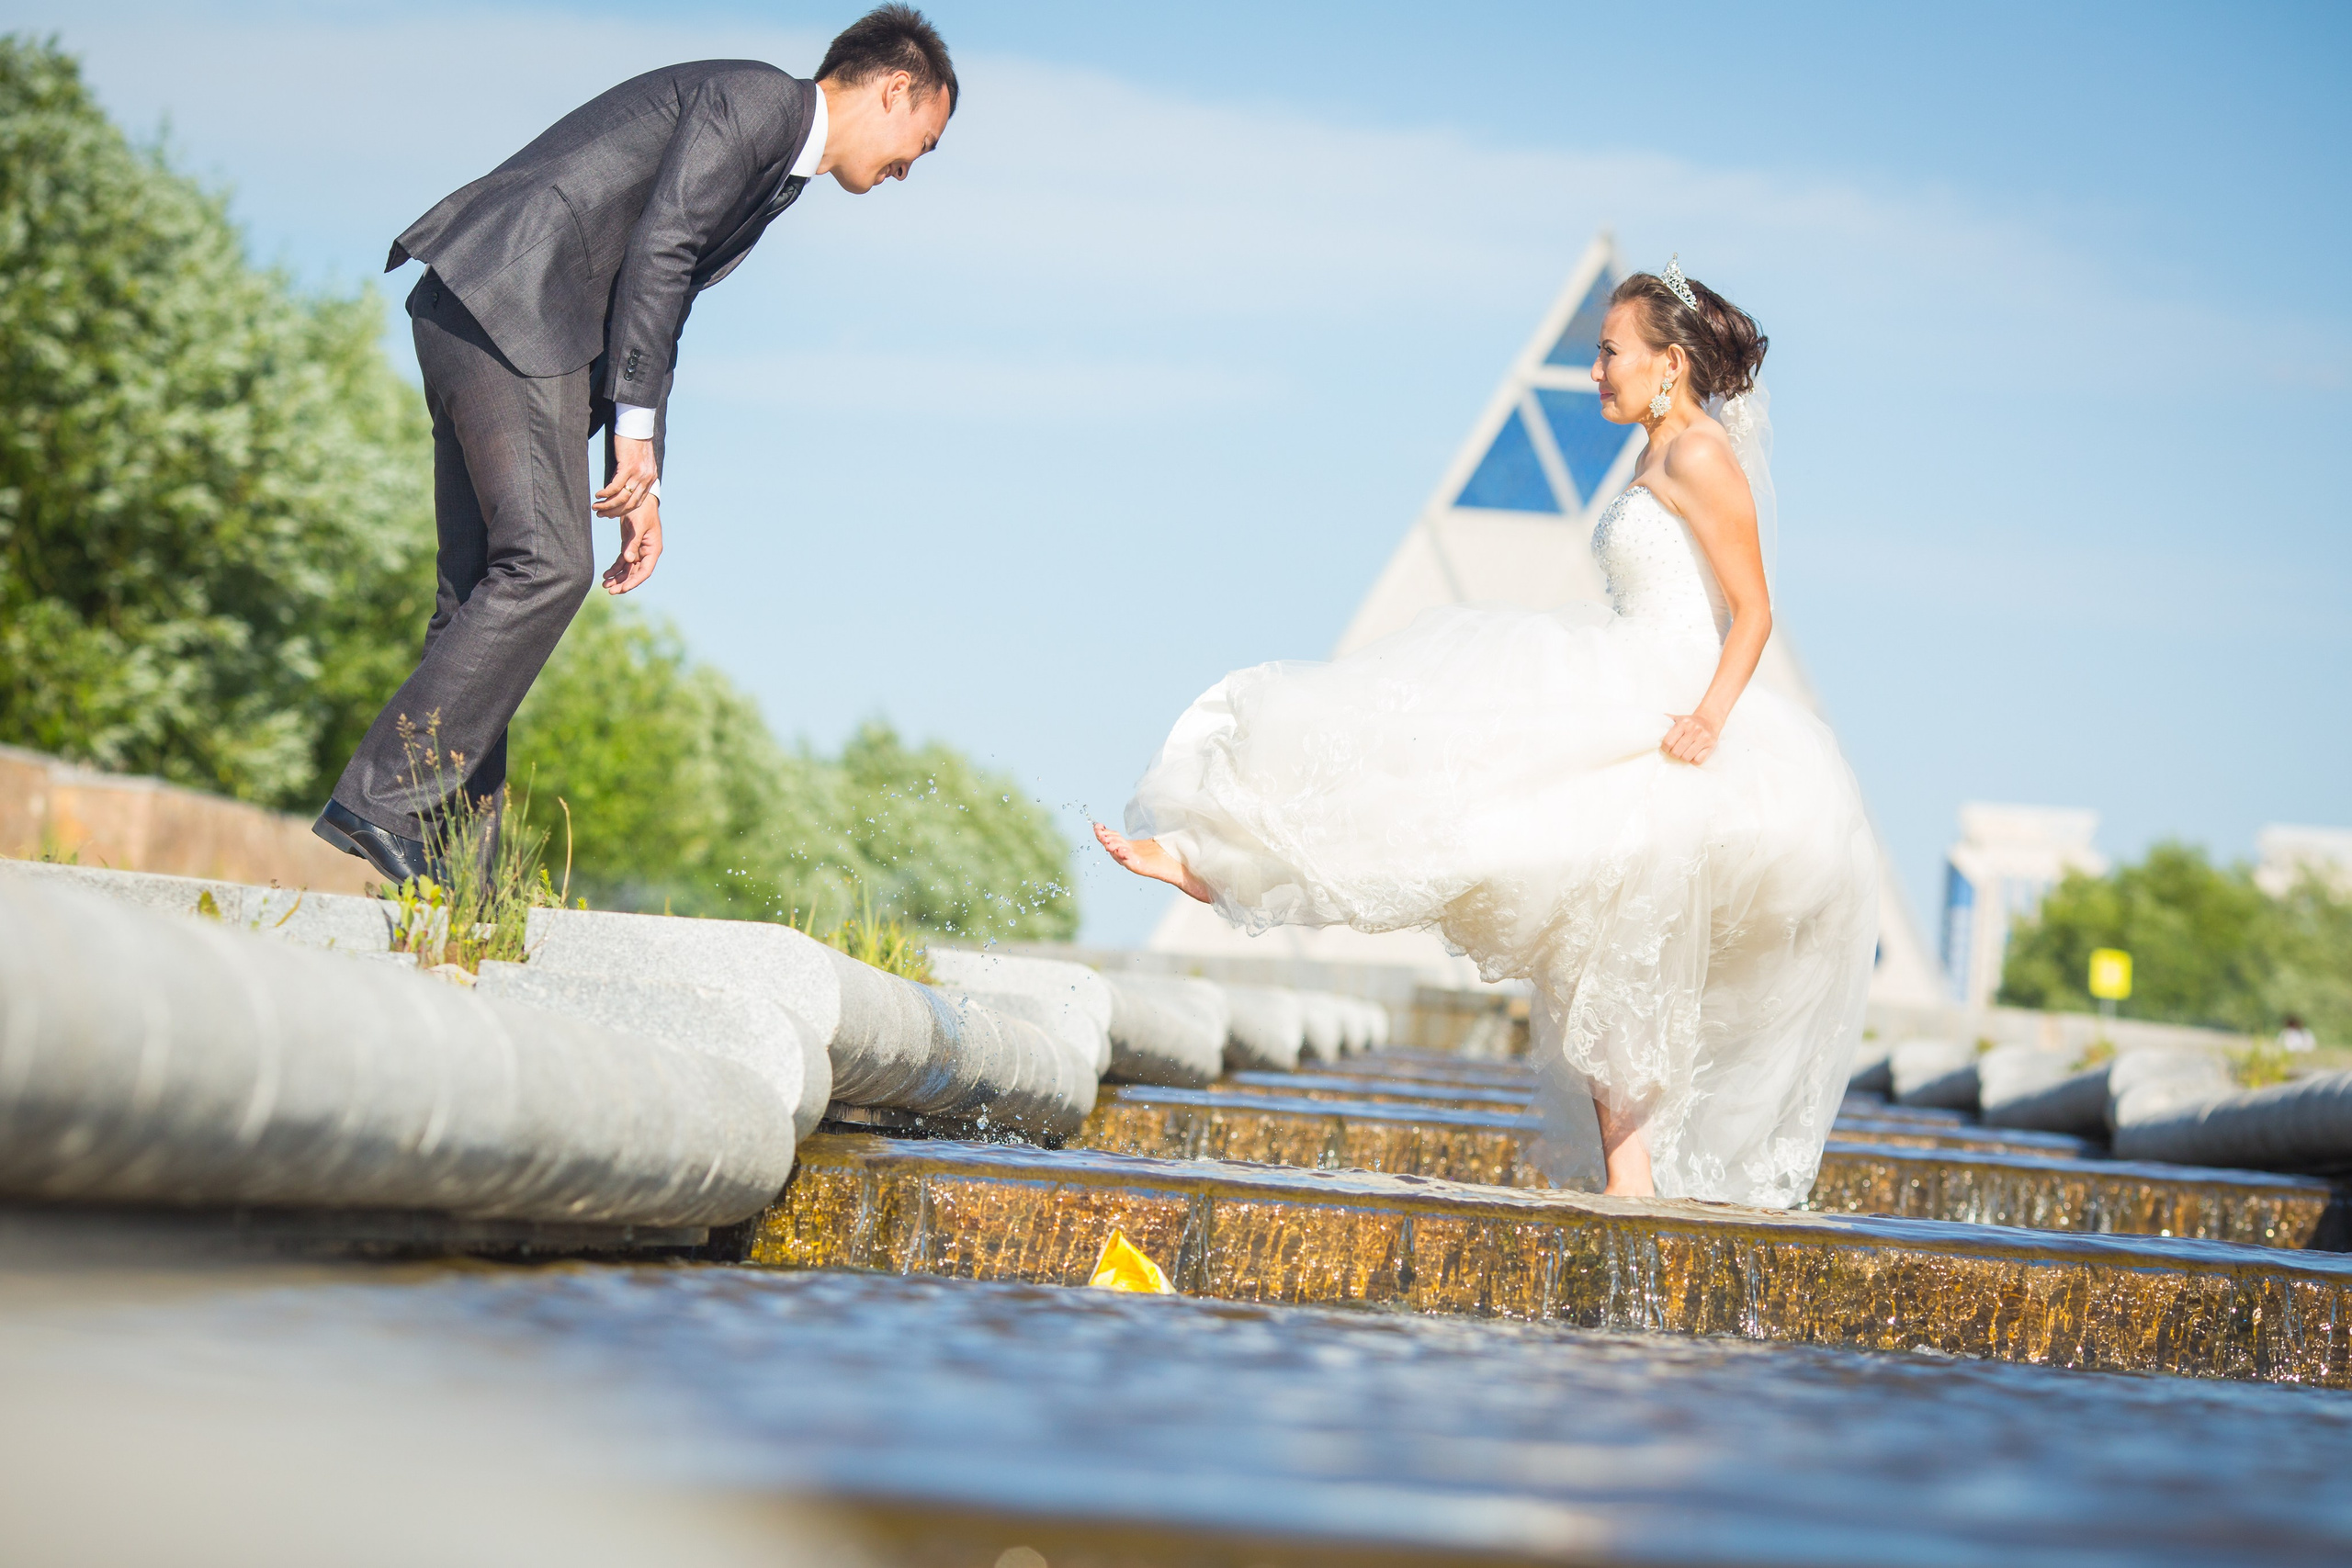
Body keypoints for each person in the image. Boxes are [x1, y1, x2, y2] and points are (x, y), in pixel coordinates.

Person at [1096, 260, 1878, 1207]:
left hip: (1671, 721)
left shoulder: (1699, 456)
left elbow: (1751, 612)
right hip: (1620, 690)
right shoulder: (1650, 453)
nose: (1596, 370)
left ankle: (1631, 1186)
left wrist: (1707, 722)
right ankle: (1220, 862)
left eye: (1609, 352)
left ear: (1669, 364)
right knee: (1484, 846)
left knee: (1558, 906)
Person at [312, 6, 956, 883]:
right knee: (545, 566)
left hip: (486, 310)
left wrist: (644, 470)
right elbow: (663, 250)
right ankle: (380, 800)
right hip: (510, 305)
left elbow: (668, 294)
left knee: (480, 597)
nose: (910, 168)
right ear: (895, 90)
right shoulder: (760, 103)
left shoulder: (780, 165)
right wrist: (636, 437)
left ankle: (463, 873)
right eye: (925, 140)